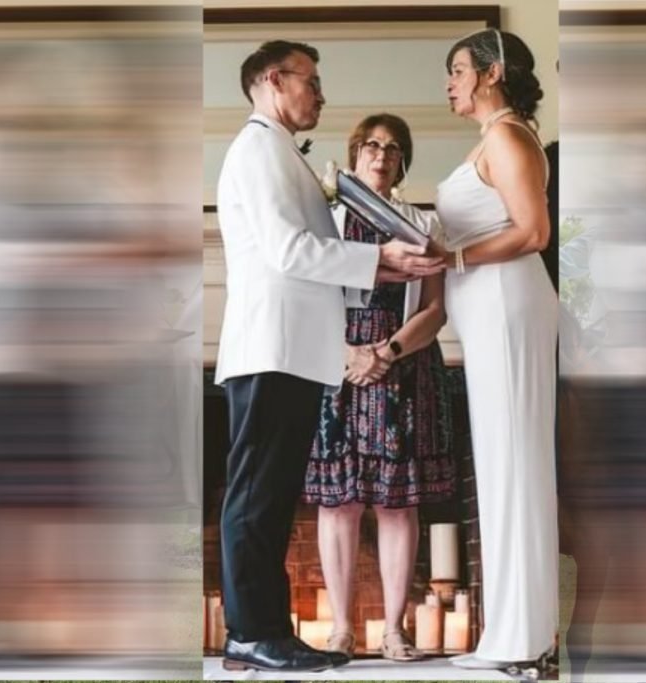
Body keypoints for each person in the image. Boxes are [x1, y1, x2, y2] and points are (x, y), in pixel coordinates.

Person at [214, 41, 444, 673]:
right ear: (271, 80)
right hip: (270, 346)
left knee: (273, 495)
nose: (320, 95)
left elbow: (306, 253)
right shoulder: (259, 148)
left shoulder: (280, 151)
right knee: (256, 494)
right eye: (311, 82)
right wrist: (381, 260)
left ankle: (266, 632)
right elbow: (289, 250)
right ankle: (249, 633)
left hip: (294, 350)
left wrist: (391, 269)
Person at [302, 114, 456, 661]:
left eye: (394, 148)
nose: (382, 154)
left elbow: (436, 311)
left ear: (402, 161)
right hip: (335, 365)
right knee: (338, 504)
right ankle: (341, 630)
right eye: (372, 144)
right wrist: (347, 354)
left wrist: (384, 354)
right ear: (354, 152)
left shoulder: (422, 223)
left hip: (404, 364)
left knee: (397, 504)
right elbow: (304, 297)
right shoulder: (325, 220)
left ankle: (393, 630)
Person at [433, 28, 558, 669]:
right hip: (489, 317)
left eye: (458, 69)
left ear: (492, 72)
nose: (450, 81)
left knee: (514, 464)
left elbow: (533, 230)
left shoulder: (508, 137)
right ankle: (514, 633)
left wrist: (452, 254)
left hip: (509, 312)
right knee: (503, 464)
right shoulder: (492, 139)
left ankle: (520, 637)